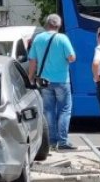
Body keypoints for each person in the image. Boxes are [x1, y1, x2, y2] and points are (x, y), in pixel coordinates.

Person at [27, 14, 77, 151]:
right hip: (61, 81)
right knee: (65, 110)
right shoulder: (62, 38)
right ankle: (62, 142)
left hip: (44, 81)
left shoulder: (38, 38)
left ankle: (51, 141)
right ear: (59, 25)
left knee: (48, 111)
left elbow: (32, 60)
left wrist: (30, 78)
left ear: (46, 24)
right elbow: (72, 57)